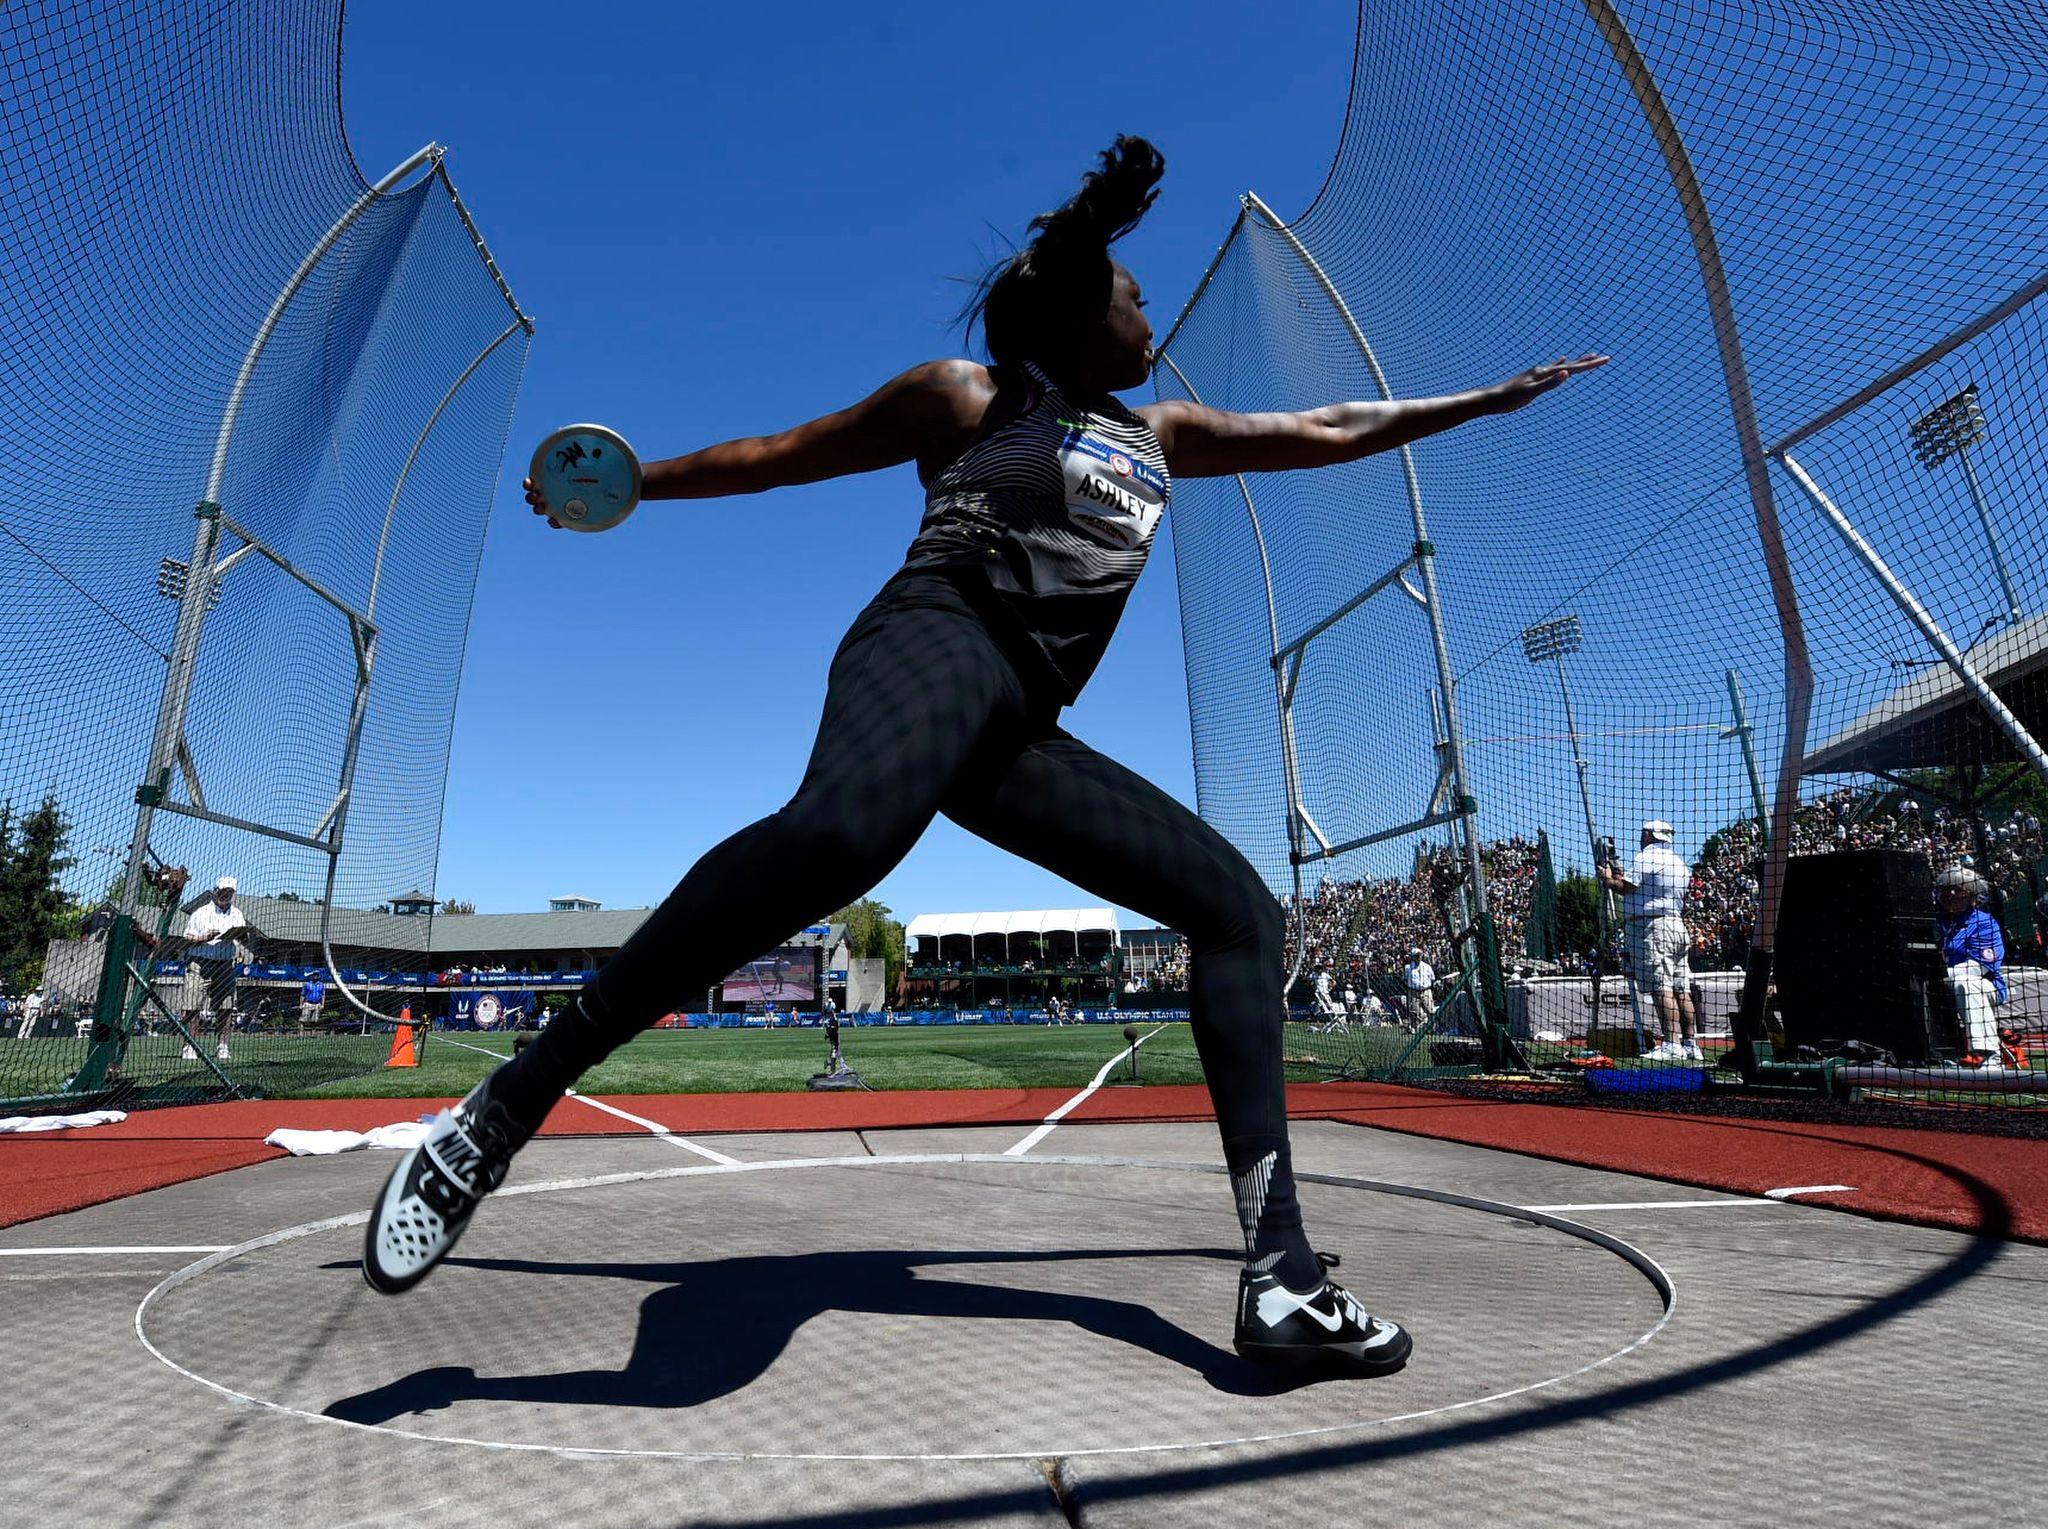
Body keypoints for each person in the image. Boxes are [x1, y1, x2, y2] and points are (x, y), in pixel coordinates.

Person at [362, 135, 1605, 1376]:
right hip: (931, 645)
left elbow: (1329, 426)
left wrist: (1481, 403)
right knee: (843, 838)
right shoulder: (971, 399)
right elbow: (779, 453)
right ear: (1073, 309)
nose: (1148, 307)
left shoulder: (1163, 434)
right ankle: (506, 1106)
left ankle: (1278, 1277)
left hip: (1019, 724)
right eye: (1130, 292)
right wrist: (635, 485)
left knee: (1239, 918)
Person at [1600, 820, 1699, 1060]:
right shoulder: (1679, 862)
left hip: (1653, 927)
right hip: (1675, 924)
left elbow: (1624, 887)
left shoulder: (1647, 857)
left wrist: (1606, 878)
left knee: (1660, 987)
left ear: (1648, 835)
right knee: (1681, 988)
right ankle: (1690, 1044)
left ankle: (1672, 1045)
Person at [1937, 864, 2006, 1067]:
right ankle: (1940, 1054)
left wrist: (1939, 974)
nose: (1949, 893)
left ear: (1971, 894)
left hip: (1983, 984)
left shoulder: (1984, 922)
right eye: (1945, 888)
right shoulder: (1933, 919)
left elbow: (1982, 965)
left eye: (1956, 888)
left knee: (1967, 983)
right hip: (1942, 984)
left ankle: (1989, 1054)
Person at [182, 877, 256, 1062]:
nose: (226, 895)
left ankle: (223, 1046)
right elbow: (186, 938)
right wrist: (204, 937)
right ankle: (190, 1045)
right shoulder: (201, 912)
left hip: (225, 965)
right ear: (216, 890)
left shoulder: (237, 914)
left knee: (226, 1007)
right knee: (192, 1007)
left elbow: (244, 940)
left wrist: (243, 935)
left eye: (230, 892)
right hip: (200, 963)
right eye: (223, 891)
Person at [1402, 948, 1437, 1028]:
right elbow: (1405, 978)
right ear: (1412, 957)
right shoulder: (1408, 968)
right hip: (1413, 991)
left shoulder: (1427, 967)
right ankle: (1415, 1027)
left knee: (1430, 1009)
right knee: (1414, 1011)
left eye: (1419, 956)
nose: (1418, 957)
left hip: (1426, 990)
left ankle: (1433, 1026)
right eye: (1416, 956)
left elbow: (1432, 978)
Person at [299, 970, 327, 1035]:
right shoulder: (307, 984)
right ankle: (301, 1034)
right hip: (308, 1003)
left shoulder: (322, 985)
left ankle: (313, 1034)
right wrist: (301, 1004)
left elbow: (323, 995)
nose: (315, 976)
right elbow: (303, 994)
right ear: (312, 976)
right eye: (314, 975)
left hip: (317, 1004)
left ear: (319, 976)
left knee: (314, 1020)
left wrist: (322, 1004)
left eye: (317, 975)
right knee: (302, 1020)